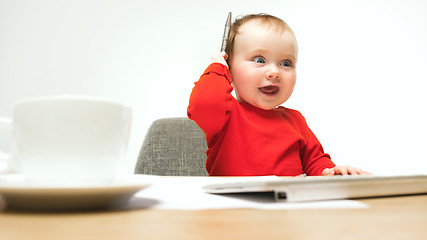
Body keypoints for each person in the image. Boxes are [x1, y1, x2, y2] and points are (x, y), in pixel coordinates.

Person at [187, 13, 370, 176]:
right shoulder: (226, 115)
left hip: (285, 210)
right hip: (234, 210)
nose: (274, 72)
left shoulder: (295, 120)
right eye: (260, 60)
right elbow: (204, 103)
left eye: (286, 63)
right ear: (230, 70)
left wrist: (329, 172)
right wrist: (217, 67)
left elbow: (315, 161)